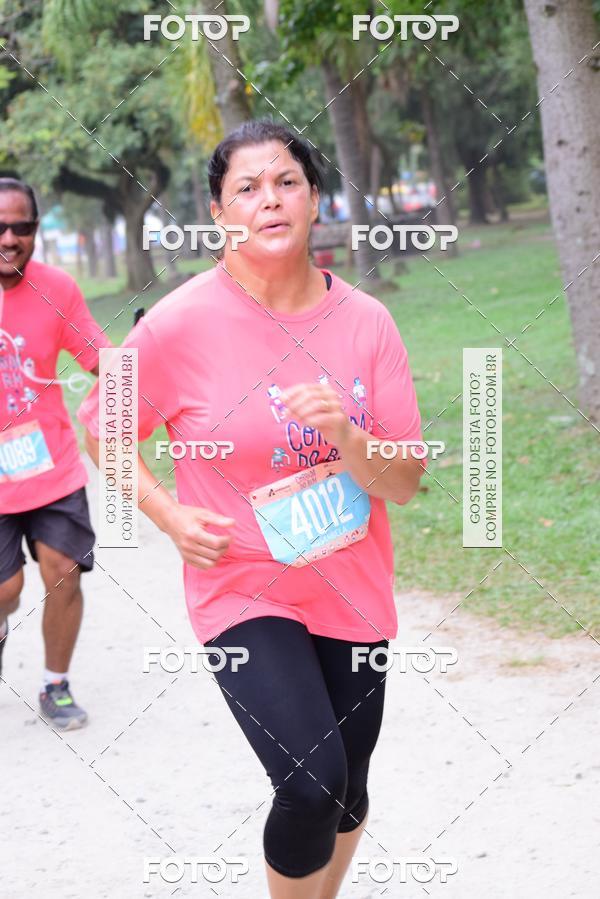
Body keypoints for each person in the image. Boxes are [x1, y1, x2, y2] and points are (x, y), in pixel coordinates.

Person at [78, 119, 426, 897]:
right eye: (247, 187)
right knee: (311, 780)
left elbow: (403, 482)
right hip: (243, 588)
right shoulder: (177, 324)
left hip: (352, 588)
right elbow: (103, 426)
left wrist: (346, 435)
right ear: (219, 213)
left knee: (347, 791)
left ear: (311, 199)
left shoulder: (368, 323)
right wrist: (166, 512)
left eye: (287, 182)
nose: (269, 200)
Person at [0, 177, 113, 730]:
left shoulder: (57, 288)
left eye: (21, 226)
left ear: (36, 231)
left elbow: (100, 357)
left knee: (64, 571)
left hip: (52, 468)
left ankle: (55, 684)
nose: (9, 237)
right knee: (6, 590)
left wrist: (141, 362)